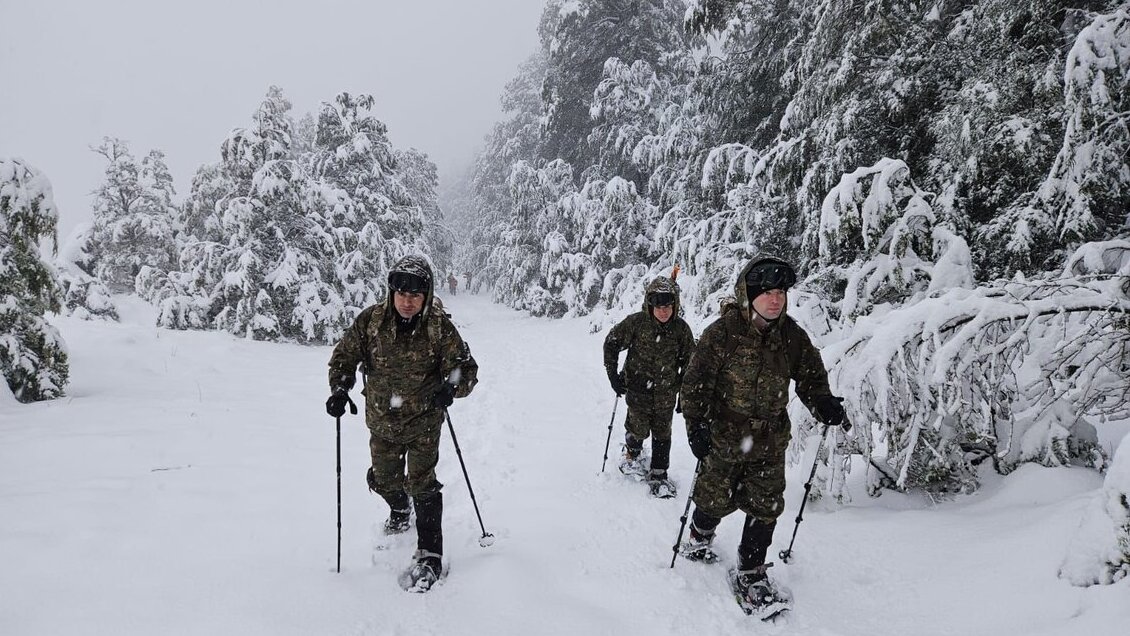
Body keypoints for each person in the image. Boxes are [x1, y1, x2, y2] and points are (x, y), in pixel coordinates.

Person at [677, 255, 848, 615]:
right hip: (724, 436)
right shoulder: (722, 334)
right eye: (767, 292)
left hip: (770, 440)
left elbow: (810, 377)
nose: (776, 299)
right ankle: (700, 533)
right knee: (713, 498)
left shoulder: (792, 337)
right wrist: (696, 427)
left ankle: (751, 572)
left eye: (781, 292)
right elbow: (694, 384)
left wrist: (823, 402)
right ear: (749, 294)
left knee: (766, 505)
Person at [326, 254, 478, 592]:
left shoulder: (439, 327)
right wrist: (340, 388)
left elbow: (466, 370)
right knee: (384, 479)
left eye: (415, 295)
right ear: (391, 293)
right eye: (401, 294)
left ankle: (430, 554)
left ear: (425, 296)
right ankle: (399, 509)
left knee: (423, 484)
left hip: (424, 422)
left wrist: (450, 388)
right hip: (381, 422)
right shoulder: (371, 322)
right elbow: (343, 358)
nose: (407, 302)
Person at [603, 276, 695, 497]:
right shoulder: (636, 323)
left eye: (668, 306)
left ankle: (659, 475)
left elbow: (690, 364)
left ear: (675, 306)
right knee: (638, 427)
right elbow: (612, 342)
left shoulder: (681, 330)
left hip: (666, 393)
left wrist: (684, 395)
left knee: (663, 434)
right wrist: (612, 375)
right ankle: (632, 453)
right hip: (637, 390)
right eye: (659, 306)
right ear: (650, 305)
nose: (663, 311)